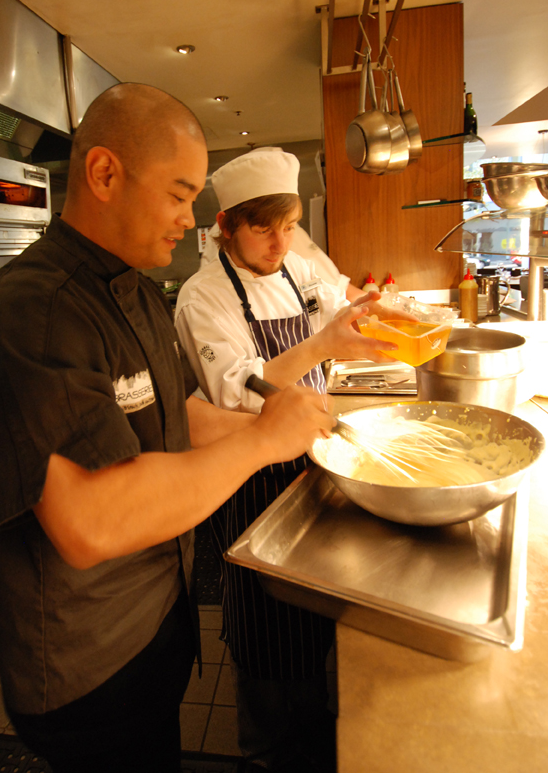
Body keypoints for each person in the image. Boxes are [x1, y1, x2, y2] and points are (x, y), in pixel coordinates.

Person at [0, 86, 338, 773]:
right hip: (85, 663)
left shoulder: (134, 291)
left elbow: (179, 414)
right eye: (180, 195)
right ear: (103, 174)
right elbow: (91, 520)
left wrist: (283, 421)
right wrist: (261, 441)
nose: (192, 222)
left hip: (150, 630)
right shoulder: (31, 313)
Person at [174, 148, 400, 773]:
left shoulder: (298, 266)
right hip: (250, 475)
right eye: (262, 227)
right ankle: (266, 749)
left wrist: (368, 313)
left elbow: (339, 302)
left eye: (290, 224)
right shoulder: (203, 296)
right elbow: (238, 390)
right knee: (266, 620)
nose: (280, 241)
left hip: (313, 461)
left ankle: (313, 734)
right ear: (227, 225)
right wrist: (324, 342)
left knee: (315, 609)